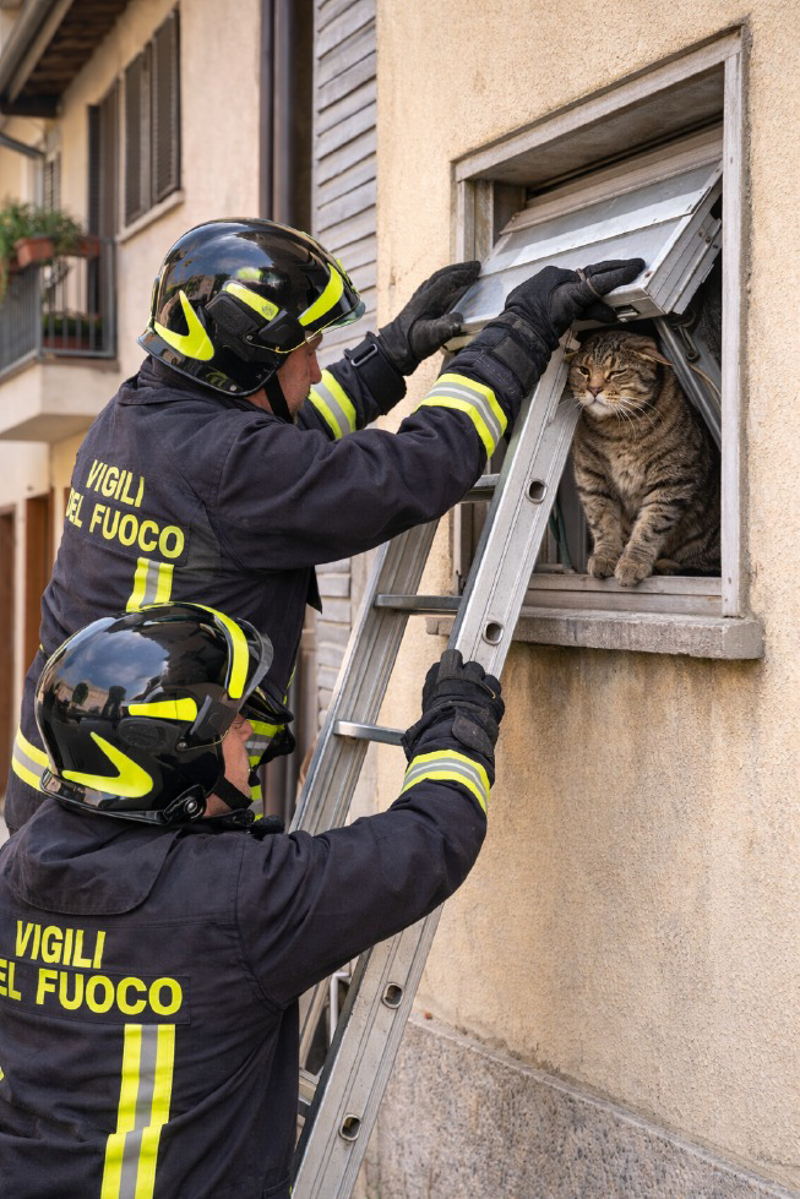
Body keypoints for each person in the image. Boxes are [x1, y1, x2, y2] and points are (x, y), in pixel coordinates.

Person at [5, 215, 644, 832]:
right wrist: (518, 339)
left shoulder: (138, 414)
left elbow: (283, 444)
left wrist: (387, 359)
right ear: (246, 355)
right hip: (134, 810)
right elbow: (414, 470)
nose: (315, 371)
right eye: (307, 351)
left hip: (76, 785)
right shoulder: (229, 463)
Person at [0, 602, 506, 1198]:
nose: (251, 735)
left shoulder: (21, 865)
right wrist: (455, 728)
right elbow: (426, 843)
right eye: (233, 725)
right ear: (172, 755)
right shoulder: (237, 899)